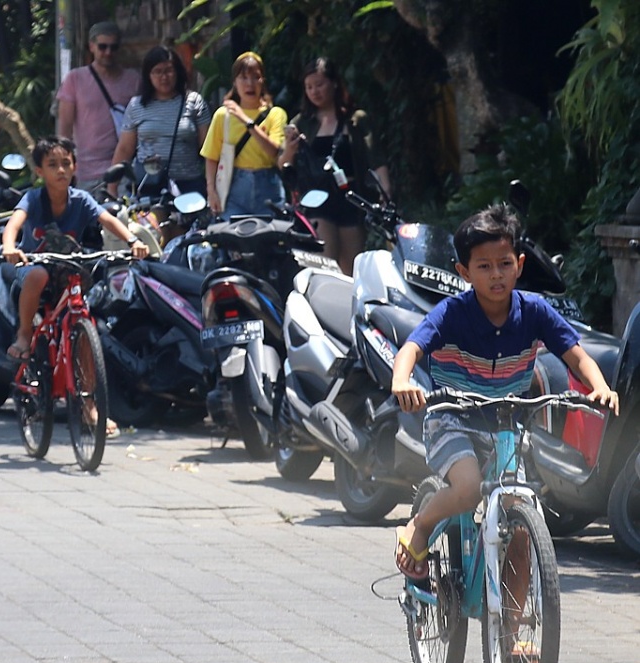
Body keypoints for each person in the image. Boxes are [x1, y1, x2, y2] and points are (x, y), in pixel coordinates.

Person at [391, 203, 619, 583]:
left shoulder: (535, 311)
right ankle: (421, 522)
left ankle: (516, 630)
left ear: (520, 264)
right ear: (463, 272)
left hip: (507, 422)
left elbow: (578, 358)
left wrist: (601, 388)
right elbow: (411, 349)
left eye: (504, 263)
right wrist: (402, 380)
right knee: (466, 491)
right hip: (453, 419)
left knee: (519, 513)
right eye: (484, 266)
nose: (496, 274)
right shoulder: (451, 313)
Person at [2, 136, 149, 364]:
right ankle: (24, 333)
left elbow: (107, 220)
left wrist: (133, 241)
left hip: (68, 266)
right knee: (38, 274)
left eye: (66, 163)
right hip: (32, 264)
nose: (61, 170)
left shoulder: (82, 199)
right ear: (39, 171)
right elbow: (14, 224)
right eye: (52, 165)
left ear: (75, 167)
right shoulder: (32, 198)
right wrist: (10, 247)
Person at [277, 57, 391, 276]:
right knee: (326, 265)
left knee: (351, 269)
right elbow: (283, 164)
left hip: (350, 198)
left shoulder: (356, 120)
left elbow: (376, 159)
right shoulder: (303, 122)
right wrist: (291, 149)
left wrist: (385, 193)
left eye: (319, 85)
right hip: (317, 200)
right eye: (309, 87)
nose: (314, 92)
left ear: (334, 83)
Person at [110, 46, 212, 197]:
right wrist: (112, 187)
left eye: (169, 71)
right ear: (148, 75)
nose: (164, 77)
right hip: (149, 185)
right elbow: (125, 149)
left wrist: (212, 186)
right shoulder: (136, 105)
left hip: (189, 185)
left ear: (178, 72)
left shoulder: (194, 101)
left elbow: (208, 148)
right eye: (157, 71)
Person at [200, 51, 287, 218]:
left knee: (270, 240)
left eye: (256, 77)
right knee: (232, 240)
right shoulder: (223, 115)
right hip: (234, 187)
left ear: (263, 81)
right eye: (244, 78)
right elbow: (211, 157)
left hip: (268, 187)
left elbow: (274, 151)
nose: (250, 84)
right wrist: (211, 191)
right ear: (235, 82)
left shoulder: (275, 114)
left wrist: (246, 121)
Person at [56, 21, 140, 191]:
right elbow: (64, 128)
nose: (108, 52)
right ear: (91, 46)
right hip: (87, 173)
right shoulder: (75, 79)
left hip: (125, 170)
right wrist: (65, 167)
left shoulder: (134, 80)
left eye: (113, 47)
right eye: (102, 47)